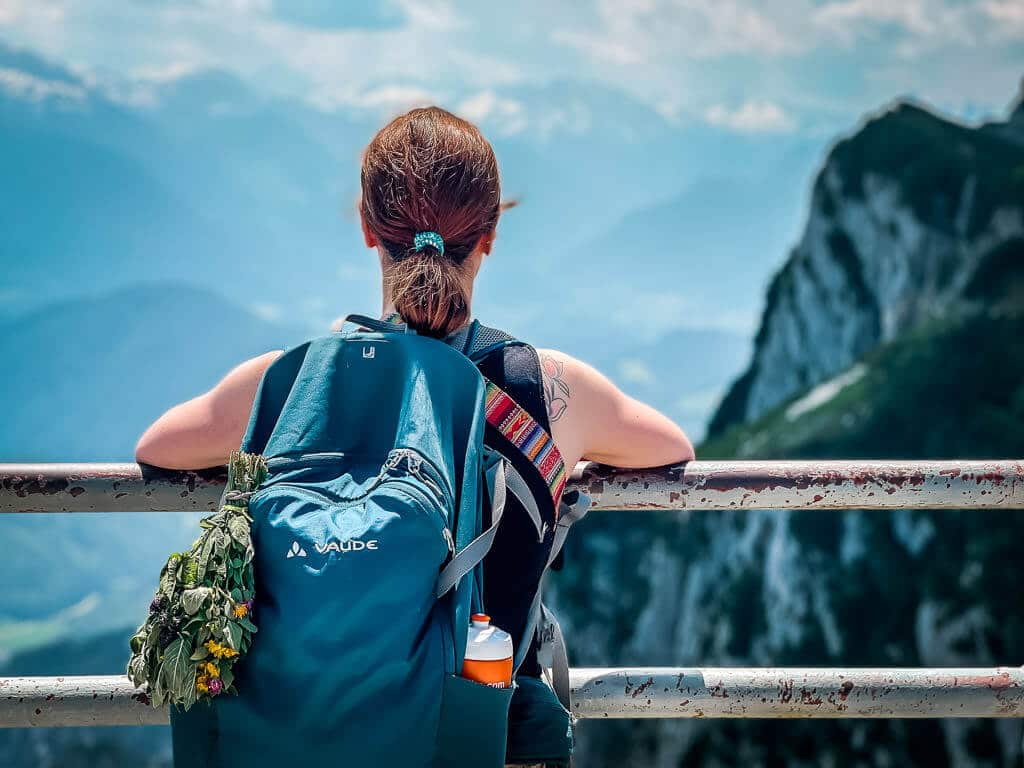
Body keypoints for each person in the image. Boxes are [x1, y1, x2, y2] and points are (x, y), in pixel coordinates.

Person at [136, 106, 694, 766]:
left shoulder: (287, 384)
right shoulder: (548, 388)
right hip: (482, 745)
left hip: (304, 744)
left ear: (369, 231)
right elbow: (669, 447)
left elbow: (159, 447)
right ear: (490, 235)